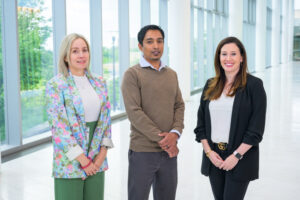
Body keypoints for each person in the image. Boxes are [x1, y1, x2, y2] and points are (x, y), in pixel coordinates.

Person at [194, 36, 267, 200]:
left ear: (242, 58)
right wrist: (209, 153)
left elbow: (256, 130)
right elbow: (201, 126)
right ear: (218, 58)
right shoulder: (210, 84)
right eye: (224, 54)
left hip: (240, 157)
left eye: (233, 54)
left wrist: (236, 156)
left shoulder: (254, 86)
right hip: (214, 157)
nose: (228, 58)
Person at [46, 33, 113, 200]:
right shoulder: (56, 85)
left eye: (84, 50)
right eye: (75, 51)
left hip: (97, 158)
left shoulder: (100, 82)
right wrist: (83, 160)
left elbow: (106, 121)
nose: (81, 55)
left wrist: (101, 156)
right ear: (66, 56)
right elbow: (59, 128)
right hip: (70, 160)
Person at [121, 25, 185, 200]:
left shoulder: (171, 74)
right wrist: (165, 140)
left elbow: (179, 105)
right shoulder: (132, 75)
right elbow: (134, 113)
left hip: (169, 152)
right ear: (140, 46)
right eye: (150, 42)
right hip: (143, 151)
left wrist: (175, 133)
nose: (156, 46)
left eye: (160, 41)